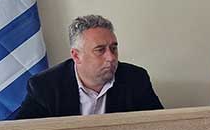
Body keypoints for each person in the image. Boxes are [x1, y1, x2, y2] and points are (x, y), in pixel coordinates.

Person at [16, 15, 163, 119]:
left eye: (113, 48)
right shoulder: (45, 86)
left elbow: (158, 127)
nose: (111, 57)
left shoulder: (136, 79)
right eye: (100, 50)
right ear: (76, 56)